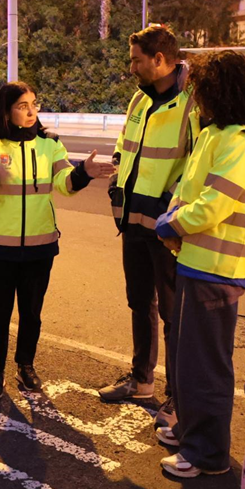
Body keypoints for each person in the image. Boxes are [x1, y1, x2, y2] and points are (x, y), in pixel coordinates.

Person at [152, 49, 245, 478]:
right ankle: (191, 430)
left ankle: (206, 454)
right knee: (190, 359)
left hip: (219, 268)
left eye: (201, 90)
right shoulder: (216, 134)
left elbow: (211, 207)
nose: (195, 98)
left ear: (219, 92)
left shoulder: (240, 142)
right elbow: (188, 191)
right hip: (198, 261)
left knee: (205, 363)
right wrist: (172, 223)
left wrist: (169, 226)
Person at [0, 82, 115, 398]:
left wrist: (82, 173)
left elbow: (64, 184)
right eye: (22, 106)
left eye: (34, 104)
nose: (31, 111)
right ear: (7, 111)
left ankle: (26, 366)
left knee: (31, 313)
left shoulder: (50, 145)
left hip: (40, 247)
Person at [100, 25, 199, 430]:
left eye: (136, 59)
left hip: (166, 228)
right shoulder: (139, 99)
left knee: (175, 315)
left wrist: (168, 206)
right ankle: (142, 381)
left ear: (159, 59)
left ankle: (178, 398)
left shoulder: (193, 101)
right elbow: (125, 146)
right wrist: (114, 185)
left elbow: (196, 162)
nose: (132, 67)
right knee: (139, 304)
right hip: (133, 222)